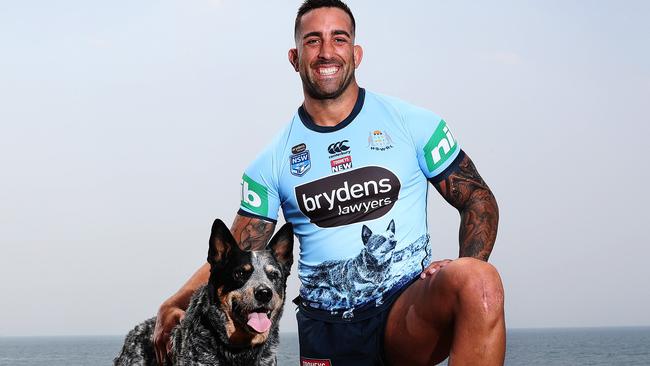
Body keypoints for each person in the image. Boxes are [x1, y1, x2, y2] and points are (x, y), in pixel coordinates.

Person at [154, 0, 505, 365]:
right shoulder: (270, 162)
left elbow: (478, 198)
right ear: (294, 57)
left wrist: (468, 265)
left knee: (480, 281)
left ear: (356, 53)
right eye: (312, 41)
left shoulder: (413, 123)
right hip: (329, 327)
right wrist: (175, 302)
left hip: (405, 311)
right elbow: (233, 256)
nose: (326, 52)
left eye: (338, 39)